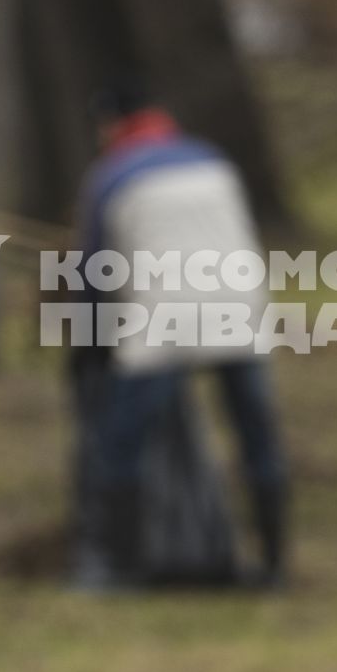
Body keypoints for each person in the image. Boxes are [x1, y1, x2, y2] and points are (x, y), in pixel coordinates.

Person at [71, 78, 289, 590]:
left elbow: (94, 273)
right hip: (240, 305)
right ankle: (275, 563)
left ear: (112, 126)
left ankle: (118, 568)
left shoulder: (110, 176)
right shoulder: (211, 159)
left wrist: (89, 349)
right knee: (256, 435)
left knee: (121, 440)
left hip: (166, 317)